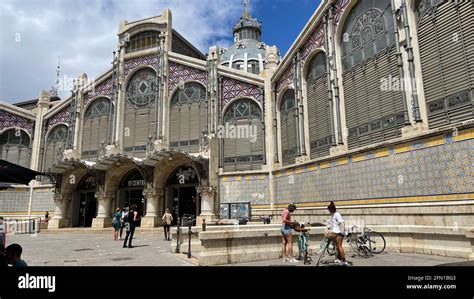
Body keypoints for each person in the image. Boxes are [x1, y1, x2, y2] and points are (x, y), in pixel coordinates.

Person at [326, 201, 349, 266]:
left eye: (329, 210)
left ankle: (344, 261)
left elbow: (341, 222)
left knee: (339, 246)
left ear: (332, 209)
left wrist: (344, 230)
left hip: (338, 233)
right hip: (336, 232)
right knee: (338, 246)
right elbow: (334, 223)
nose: (329, 211)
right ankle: (339, 259)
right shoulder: (334, 215)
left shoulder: (337, 214)